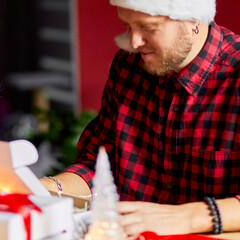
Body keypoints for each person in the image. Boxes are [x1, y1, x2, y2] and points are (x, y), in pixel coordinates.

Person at [40, 0, 240, 237]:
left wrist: (189, 217)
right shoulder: (128, 65)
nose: (134, 42)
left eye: (148, 27)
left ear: (193, 21)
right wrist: (47, 190)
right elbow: (99, 164)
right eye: (128, 26)